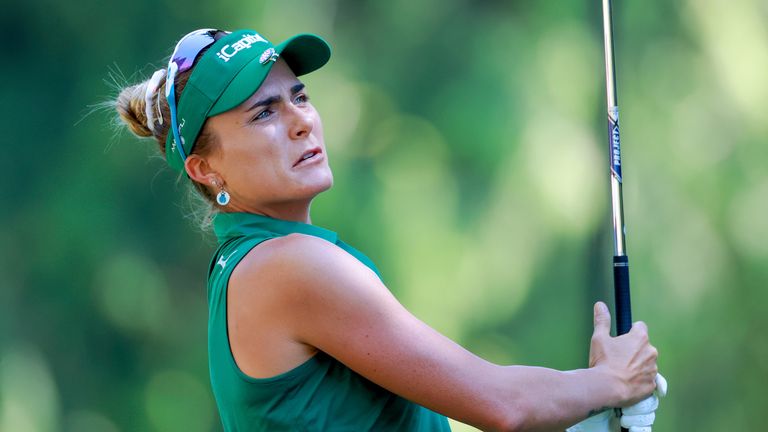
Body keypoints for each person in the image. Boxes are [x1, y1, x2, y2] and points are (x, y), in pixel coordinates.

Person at [114, 28, 664, 431]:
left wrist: (587, 408)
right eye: (263, 113)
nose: (302, 120)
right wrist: (608, 383)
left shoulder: (251, 266)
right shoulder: (287, 267)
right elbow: (501, 406)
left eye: (299, 96)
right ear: (206, 169)